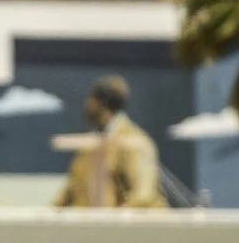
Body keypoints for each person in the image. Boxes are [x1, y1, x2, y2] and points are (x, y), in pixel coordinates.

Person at [54, 75, 165, 209]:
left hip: (129, 221)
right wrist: (45, 215)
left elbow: (144, 194)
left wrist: (117, 218)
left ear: (102, 103)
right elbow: (72, 188)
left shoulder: (134, 142)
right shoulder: (91, 144)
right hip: (95, 219)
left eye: (91, 100)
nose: (87, 105)